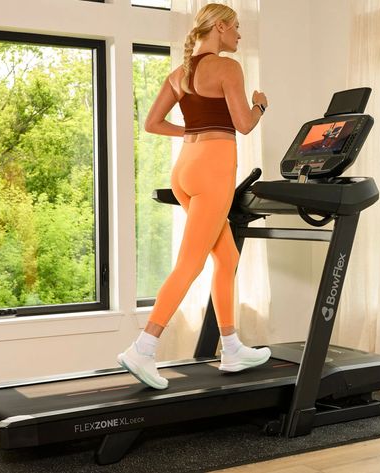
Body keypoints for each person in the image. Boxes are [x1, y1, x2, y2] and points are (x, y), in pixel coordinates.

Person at [117, 3, 270, 390]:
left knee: (227, 257)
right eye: (236, 27)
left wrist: (189, 133)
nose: (239, 34)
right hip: (213, 169)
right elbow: (244, 125)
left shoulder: (179, 73)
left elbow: (152, 123)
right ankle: (143, 347)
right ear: (219, 27)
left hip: (185, 169)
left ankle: (231, 347)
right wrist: (260, 104)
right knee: (190, 263)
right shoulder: (228, 68)